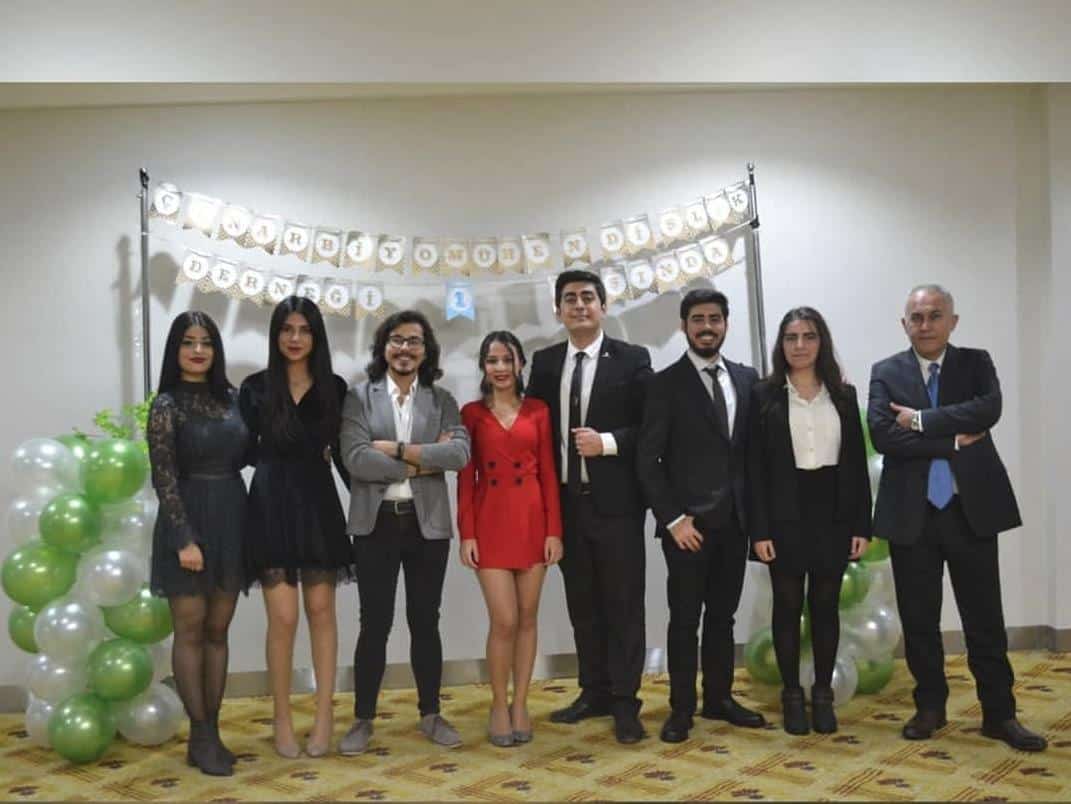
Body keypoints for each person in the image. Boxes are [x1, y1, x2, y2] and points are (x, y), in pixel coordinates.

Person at [868, 284, 1046, 751]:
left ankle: (999, 714)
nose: (925, 325)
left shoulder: (975, 363)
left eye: (935, 315)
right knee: (919, 620)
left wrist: (919, 421)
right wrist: (950, 439)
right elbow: (884, 436)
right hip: (913, 514)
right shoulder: (885, 371)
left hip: (970, 511)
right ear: (904, 324)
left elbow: (987, 410)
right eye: (916, 317)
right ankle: (930, 707)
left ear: (953, 321)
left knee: (984, 618)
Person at [526, 269, 652, 744]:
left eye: (587, 297)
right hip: (566, 507)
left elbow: (652, 428)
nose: (579, 305)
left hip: (617, 506)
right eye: (569, 298)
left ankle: (625, 702)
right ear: (558, 309)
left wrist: (608, 443)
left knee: (624, 605)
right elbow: (533, 433)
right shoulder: (544, 363)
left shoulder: (632, 359)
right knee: (583, 605)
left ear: (603, 306)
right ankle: (593, 691)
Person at [338, 310, 471, 755]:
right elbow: (356, 458)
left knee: (425, 620)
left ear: (426, 351)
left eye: (414, 341)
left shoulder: (442, 400)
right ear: (384, 346)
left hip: (426, 524)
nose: (405, 349)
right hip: (375, 524)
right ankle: (363, 718)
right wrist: (422, 462)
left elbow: (459, 455)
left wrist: (395, 449)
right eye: (397, 340)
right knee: (374, 623)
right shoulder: (359, 397)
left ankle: (431, 713)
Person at [637, 288, 766, 743]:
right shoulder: (664, 383)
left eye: (714, 318)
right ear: (684, 326)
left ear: (726, 324)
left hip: (735, 523)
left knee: (723, 618)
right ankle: (681, 709)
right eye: (697, 319)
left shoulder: (748, 379)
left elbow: (754, 453)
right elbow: (647, 460)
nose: (706, 327)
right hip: (686, 528)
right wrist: (673, 520)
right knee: (685, 621)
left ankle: (719, 698)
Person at [239, 296, 354, 759]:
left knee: (321, 611)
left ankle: (324, 715)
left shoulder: (335, 388)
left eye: (304, 330)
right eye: (287, 329)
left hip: (318, 502)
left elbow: (345, 456)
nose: (295, 338)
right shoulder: (254, 387)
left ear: (316, 336)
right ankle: (282, 718)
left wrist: (373, 505)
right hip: (270, 503)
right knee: (283, 619)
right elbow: (241, 450)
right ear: (275, 334)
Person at [748, 307, 871, 735]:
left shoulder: (843, 395)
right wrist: (759, 530)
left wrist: (861, 525)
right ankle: (791, 696)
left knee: (824, 607)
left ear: (822, 342)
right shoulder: (763, 396)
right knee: (786, 607)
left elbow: (856, 465)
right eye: (791, 337)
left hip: (832, 513)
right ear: (781, 345)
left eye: (809, 336)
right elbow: (753, 469)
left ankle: (822, 694)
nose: (800, 345)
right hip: (784, 513)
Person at [148, 311, 249, 776]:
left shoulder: (233, 399)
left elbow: (251, 452)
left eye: (206, 342)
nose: (198, 350)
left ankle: (213, 729)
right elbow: (164, 476)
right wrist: (183, 538)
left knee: (218, 631)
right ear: (176, 349)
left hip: (232, 516)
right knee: (190, 631)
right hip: (186, 519)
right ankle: (200, 734)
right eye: (188, 342)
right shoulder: (166, 405)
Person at [457, 331, 564, 747]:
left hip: (532, 520)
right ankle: (498, 704)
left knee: (528, 617)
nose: (500, 368)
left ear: (520, 365)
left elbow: (549, 473)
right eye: (492, 360)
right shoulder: (471, 413)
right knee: (504, 620)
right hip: (490, 521)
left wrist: (554, 530)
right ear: (483, 367)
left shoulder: (538, 410)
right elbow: (466, 478)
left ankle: (521, 703)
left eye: (507, 360)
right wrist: (467, 532)